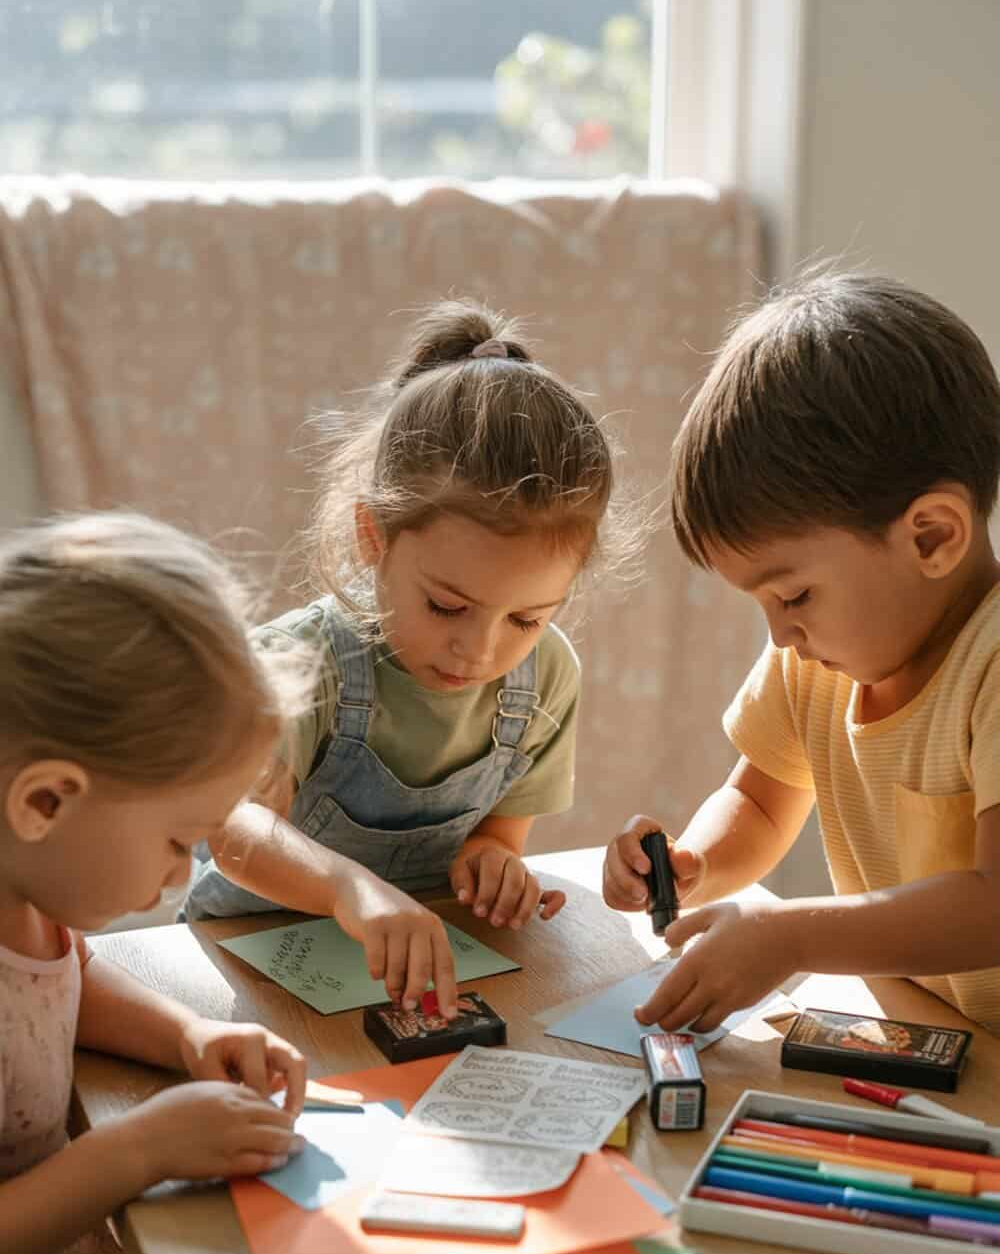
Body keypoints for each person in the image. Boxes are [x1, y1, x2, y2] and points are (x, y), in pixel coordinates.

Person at [187, 299, 628, 1018]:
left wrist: (493, 865)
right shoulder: (305, 663)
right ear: (374, 536)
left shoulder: (546, 676)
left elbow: (497, 835)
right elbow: (232, 829)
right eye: (448, 607)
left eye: (526, 618)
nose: (480, 650)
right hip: (246, 973)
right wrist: (348, 890)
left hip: (411, 985)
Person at [602, 271, 1000, 1035]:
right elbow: (757, 804)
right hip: (941, 1036)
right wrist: (693, 868)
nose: (779, 634)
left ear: (932, 536)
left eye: (792, 597)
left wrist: (789, 936)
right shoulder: (814, 663)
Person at [0, 512, 311, 1254]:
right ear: (44, 801)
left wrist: (183, 1037)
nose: (183, 879)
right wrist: (138, 1150)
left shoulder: (30, 894)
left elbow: (65, 977)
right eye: (180, 840)